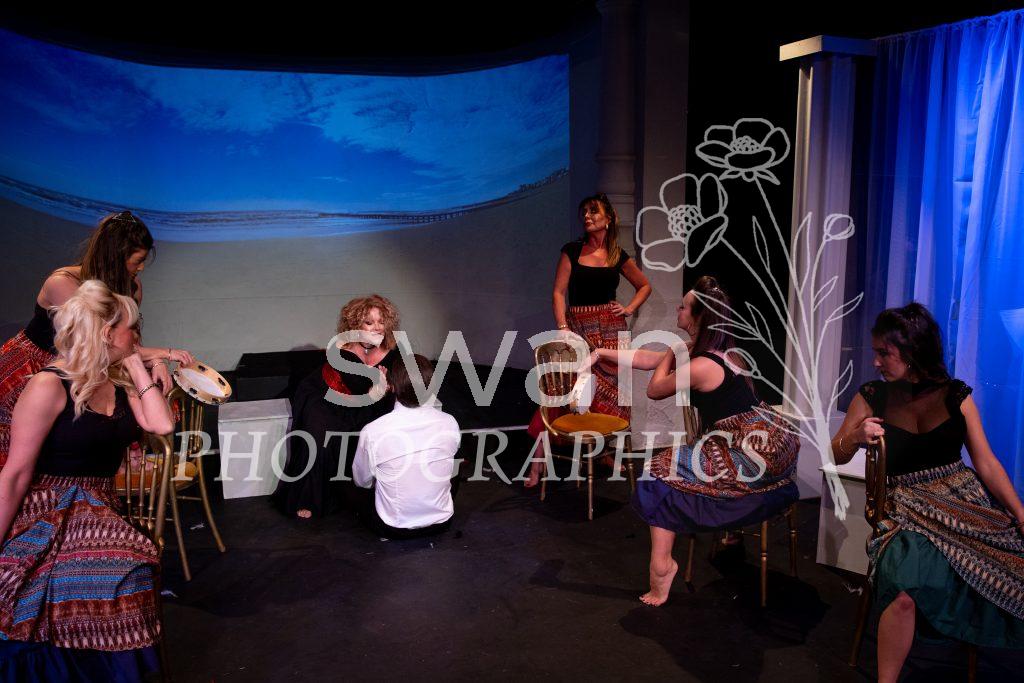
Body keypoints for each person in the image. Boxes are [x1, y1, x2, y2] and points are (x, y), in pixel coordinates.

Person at [831, 303, 1024, 682]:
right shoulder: (873, 394)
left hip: (961, 501)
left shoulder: (956, 395)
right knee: (905, 584)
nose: (876, 362)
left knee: (1011, 561)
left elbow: (986, 463)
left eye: (884, 352)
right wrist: (855, 435)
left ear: (913, 350)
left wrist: (1020, 512)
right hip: (903, 505)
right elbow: (835, 453)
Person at [0, 280, 175, 681]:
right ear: (107, 333)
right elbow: (15, 473)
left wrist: (135, 364)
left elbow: (161, 424)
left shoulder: (119, 380)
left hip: (100, 507)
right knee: (96, 579)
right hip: (47, 510)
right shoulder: (48, 385)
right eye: (133, 328)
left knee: (129, 570)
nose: (139, 336)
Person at [589, 276, 799, 606]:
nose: (678, 309)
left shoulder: (700, 363)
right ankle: (725, 535)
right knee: (676, 461)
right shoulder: (721, 352)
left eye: (684, 307)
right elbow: (648, 359)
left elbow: (654, 389)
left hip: (752, 453)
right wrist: (600, 352)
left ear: (699, 317)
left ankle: (662, 567)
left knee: (657, 471)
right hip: (772, 443)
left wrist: (673, 350)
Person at [0, 211, 193, 468]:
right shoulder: (63, 283)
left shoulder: (132, 287)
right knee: (19, 453)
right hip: (36, 366)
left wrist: (156, 361)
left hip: (91, 368)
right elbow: (97, 343)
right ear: (116, 256)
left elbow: (126, 343)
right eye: (138, 260)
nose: (141, 268)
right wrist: (164, 352)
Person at [524, 193, 651, 487]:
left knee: (610, 396)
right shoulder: (572, 250)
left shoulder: (618, 255)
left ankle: (604, 453)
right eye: (584, 212)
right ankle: (537, 463)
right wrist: (562, 327)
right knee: (559, 392)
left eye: (594, 211)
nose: (587, 216)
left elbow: (644, 285)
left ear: (609, 218)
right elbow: (558, 292)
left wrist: (628, 309)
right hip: (578, 331)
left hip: (612, 333)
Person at [272, 294, 402, 519]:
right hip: (326, 397)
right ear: (355, 325)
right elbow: (361, 390)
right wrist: (380, 385)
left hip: (365, 402)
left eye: (381, 322)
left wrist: (387, 386)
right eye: (369, 322)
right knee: (317, 431)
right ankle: (307, 498)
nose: (377, 328)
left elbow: (393, 383)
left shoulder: (392, 349)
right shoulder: (344, 349)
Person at [352, 353, 461, 539]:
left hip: (394, 528)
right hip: (441, 523)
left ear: (393, 387)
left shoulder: (373, 431)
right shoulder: (450, 422)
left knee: (348, 485)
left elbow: (361, 481)